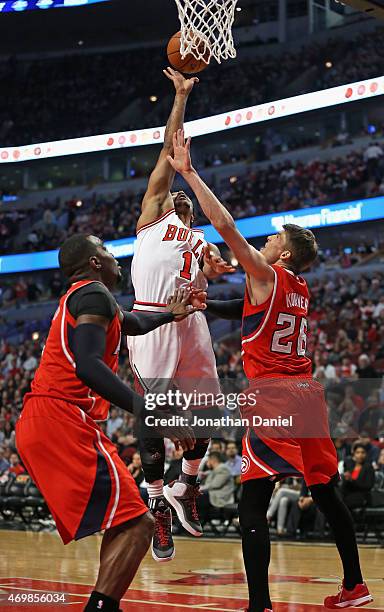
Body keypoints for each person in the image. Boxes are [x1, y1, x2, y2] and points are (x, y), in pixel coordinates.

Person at [166, 129, 373, 611]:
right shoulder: (298, 288)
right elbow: (247, 306)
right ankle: (355, 585)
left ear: (282, 254)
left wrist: (190, 174)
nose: (268, 238)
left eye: (275, 237)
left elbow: (227, 226)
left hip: (273, 396)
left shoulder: (268, 273)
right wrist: (206, 305)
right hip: (308, 395)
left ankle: (259, 605)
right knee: (325, 490)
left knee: (252, 502)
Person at [15, 233, 197, 612]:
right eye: (108, 252)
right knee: (140, 525)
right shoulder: (93, 294)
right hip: (62, 417)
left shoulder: (94, 300)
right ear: (95, 263)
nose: (117, 259)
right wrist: (151, 412)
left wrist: (170, 314)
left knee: (125, 522)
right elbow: (88, 364)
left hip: (48, 420)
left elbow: (134, 322)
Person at [127, 68, 234, 562]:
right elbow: (170, 151)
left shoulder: (199, 238)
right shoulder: (154, 215)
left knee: (209, 410)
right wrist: (180, 96)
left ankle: (184, 485)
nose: (177, 192)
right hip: (154, 320)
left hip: (192, 322)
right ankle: (156, 504)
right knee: (153, 415)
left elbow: (218, 276)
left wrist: (217, 270)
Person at [198, 451, 235, 525]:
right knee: (195, 496)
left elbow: (215, 485)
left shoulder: (223, 468)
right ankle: (198, 521)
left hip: (221, 497)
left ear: (213, 460)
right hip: (214, 494)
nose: (207, 462)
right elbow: (212, 474)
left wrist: (199, 488)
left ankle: (198, 521)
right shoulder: (217, 469)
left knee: (199, 495)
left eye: (208, 460)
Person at [341, 443, 375, 510]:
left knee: (341, 503)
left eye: (363, 452)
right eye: (358, 452)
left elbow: (368, 485)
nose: (360, 455)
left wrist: (352, 481)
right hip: (347, 494)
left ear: (366, 454)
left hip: (362, 496)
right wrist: (345, 479)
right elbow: (345, 485)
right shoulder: (350, 466)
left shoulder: (368, 467)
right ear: (354, 454)